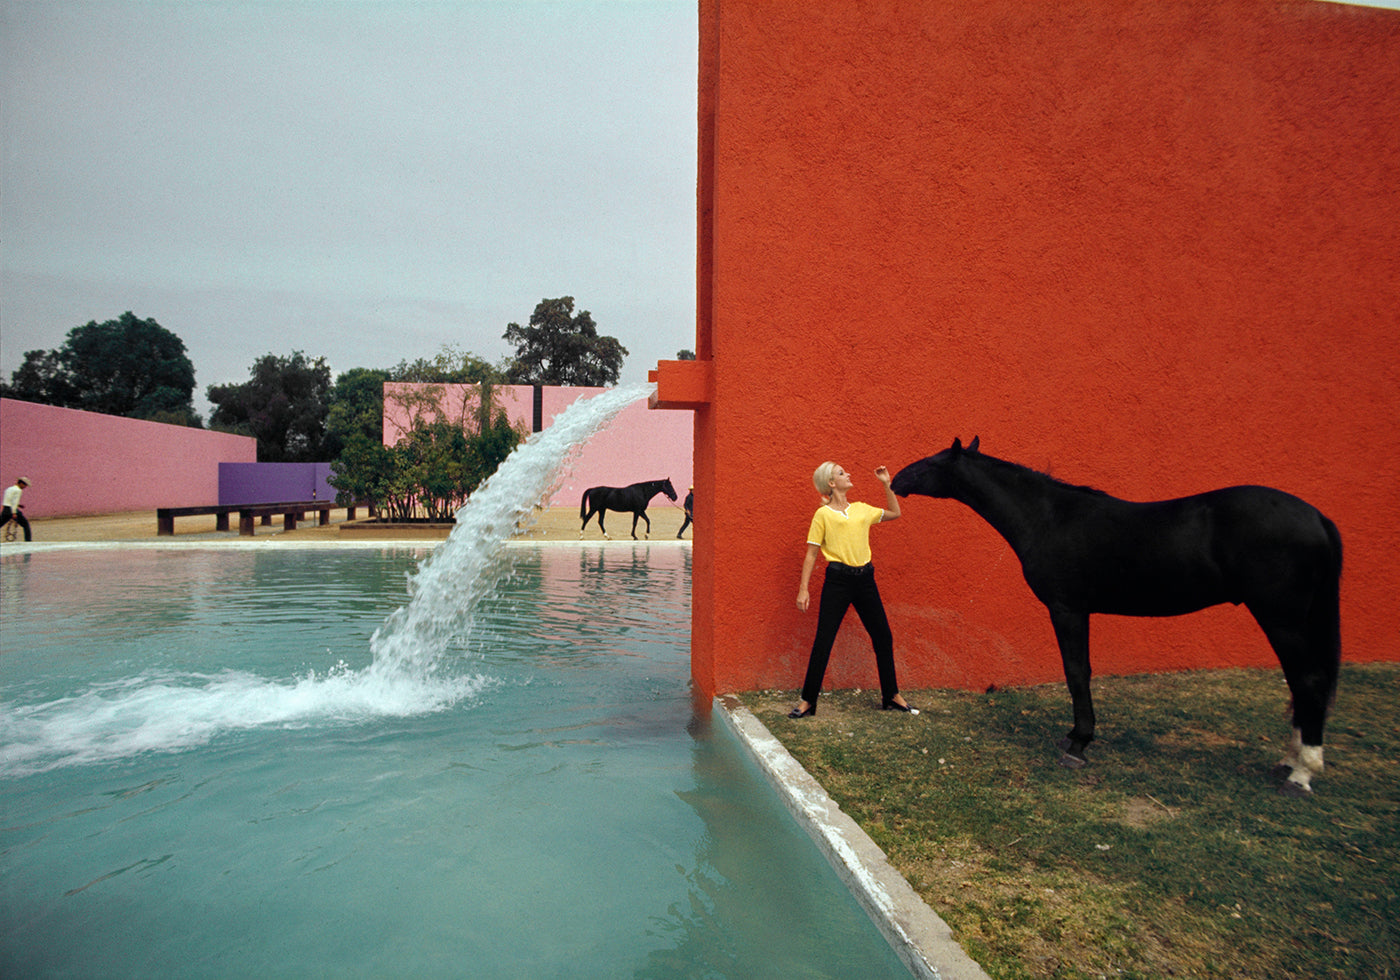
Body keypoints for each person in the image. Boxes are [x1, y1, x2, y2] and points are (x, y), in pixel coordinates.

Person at [790, 462, 914, 718]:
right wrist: (803, 589)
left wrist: (885, 484)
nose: (848, 475)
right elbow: (812, 553)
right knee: (824, 641)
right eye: (841, 473)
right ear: (832, 484)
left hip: (865, 580)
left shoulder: (862, 509)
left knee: (883, 636)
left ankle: (891, 695)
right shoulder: (822, 515)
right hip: (837, 581)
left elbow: (895, 512)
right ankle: (808, 701)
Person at [2, 477, 32, 542]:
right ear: (21, 483)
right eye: (25, 485)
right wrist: (14, 513)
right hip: (12, 510)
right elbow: (14, 502)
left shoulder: (8, 489)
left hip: (6, 509)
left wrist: (19, 505)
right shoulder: (18, 490)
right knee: (25, 524)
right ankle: (28, 541)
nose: (25, 487)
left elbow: (8, 500)